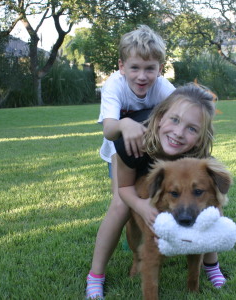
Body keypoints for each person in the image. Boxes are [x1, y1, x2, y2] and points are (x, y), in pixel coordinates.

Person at [86, 25, 175, 299]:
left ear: (160, 68)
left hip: (152, 150)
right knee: (121, 205)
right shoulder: (115, 84)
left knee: (165, 194)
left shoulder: (162, 87)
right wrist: (125, 124)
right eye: (135, 67)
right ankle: (95, 276)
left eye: (150, 68)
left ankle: (204, 260)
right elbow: (108, 129)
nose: (142, 76)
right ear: (122, 66)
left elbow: (182, 111)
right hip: (118, 151)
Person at [115, 84, 227, 295]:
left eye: (192, 128)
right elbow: (124, 186)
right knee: (120, 207)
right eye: (175, 120)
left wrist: (216, 211)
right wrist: (141, 205)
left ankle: (211, 266)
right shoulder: (132, 144)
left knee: (208, 219)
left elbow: (219, 191)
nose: (179, 132)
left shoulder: (203, 163)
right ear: (159, 118)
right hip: (132, 171)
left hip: (165, 173)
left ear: (201, 135)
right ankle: (101, 271)